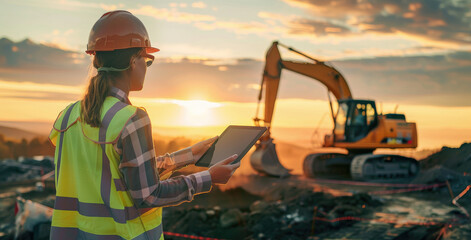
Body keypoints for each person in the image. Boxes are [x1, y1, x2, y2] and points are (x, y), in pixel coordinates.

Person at [48, 10, 240, 239]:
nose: (147, 67)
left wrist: (188, 155)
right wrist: (208, 178)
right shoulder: (130, 119)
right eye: (147, 60)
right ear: (132, 61)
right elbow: (148, 195)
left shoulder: (67, 116)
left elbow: (118, 174)